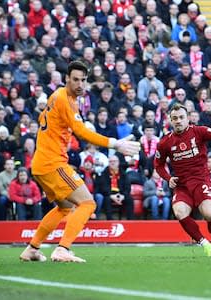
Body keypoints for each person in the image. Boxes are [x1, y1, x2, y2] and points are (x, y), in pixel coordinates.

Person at [19, 61, 140, 263]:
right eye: (75, 79)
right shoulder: (65, 100)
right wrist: (114, 144)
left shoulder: (57, 95)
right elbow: (82, 132)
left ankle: (32, 249)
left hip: (42, 162)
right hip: (52, 163)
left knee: (65, 208)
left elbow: (44, 119)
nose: (80, 84)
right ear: (66, 78)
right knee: (87, 203)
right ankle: (62, 249)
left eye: (83, 80)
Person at [154, 103, 211, 257]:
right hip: (182, 185)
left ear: (188, 118)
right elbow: (159, 165)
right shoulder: (165, 142)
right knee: (179, 211)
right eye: (175, 118)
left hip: (201, 180)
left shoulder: (199, 131)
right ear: (170, 120)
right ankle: (205, 244)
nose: (178, 121)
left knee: (209, 214)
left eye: (181, 117)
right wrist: (168, 178)